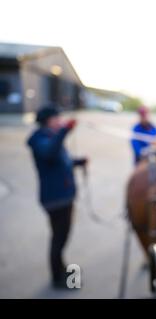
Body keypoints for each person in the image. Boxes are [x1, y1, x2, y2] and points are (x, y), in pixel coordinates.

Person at [27, 105, 87, 289]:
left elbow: (62, 160)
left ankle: (61, 269)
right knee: (59, 238)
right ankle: (58, 278)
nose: (60, 121)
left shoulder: (51, 137)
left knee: (61, 236)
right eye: (57, 118)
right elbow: (49, 153)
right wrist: (65, 130)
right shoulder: (40, 139)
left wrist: (78, 161)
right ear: (48, 120)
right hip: (56, 199)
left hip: (63, 197)